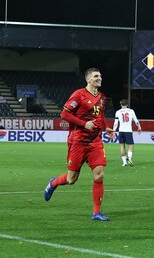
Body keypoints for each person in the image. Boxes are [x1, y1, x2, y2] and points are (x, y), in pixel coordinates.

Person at [43, 68, 116, 221]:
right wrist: (84, 124)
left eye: (100, 75)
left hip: (95, 141)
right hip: (78, 141)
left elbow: (100, 115)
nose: (99, 78)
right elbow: (64, 114)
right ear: (88, 79)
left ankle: (96, 213)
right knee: (71, 180)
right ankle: (53, 183)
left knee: (99, 175)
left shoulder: (102, 98)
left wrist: (106, 127)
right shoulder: (79, 94)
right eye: (96, 76)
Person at [113, 99, 142, 167]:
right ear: (127, 104)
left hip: (121, 131)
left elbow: (116, 123)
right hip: (128, 131)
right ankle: (129, 158)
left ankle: (124, 163)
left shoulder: (118, 112)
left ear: (120, 104)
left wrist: (114, 131)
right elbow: (136, 120)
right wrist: (139, 127)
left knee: (122, 146)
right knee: (130, 146)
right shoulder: (131, 111)